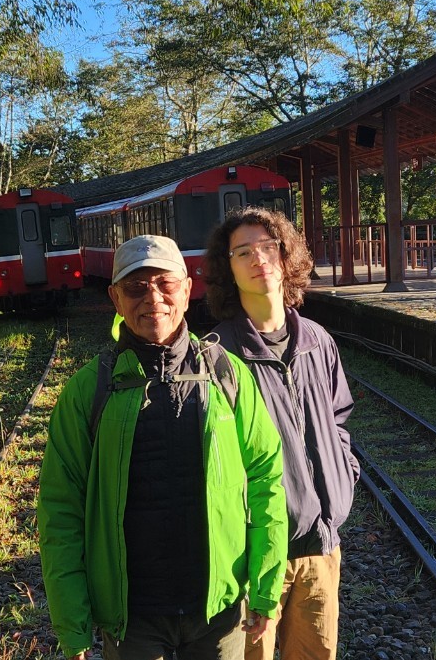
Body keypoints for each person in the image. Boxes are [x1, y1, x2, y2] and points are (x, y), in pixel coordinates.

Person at [38, 234, 288, 660]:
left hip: (218, 610)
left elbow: (267, 481)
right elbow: (61, 511)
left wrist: (265, 591)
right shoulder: (89, 390)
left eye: (165, 283)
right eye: (136, 287)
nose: (152, 297)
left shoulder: (227, 376)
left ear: (187, 291)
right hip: (133, 619)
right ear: (116, 299)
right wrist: (73, 626)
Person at [204, 207, 358, 660]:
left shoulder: (317, 340)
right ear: (227, 269)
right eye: (243, 252)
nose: (259, 258)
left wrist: (342, 481)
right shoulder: (217, 356)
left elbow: (340, 418)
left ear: (286, 255)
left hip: (320, 546)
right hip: (254, 556)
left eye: (268, 247)